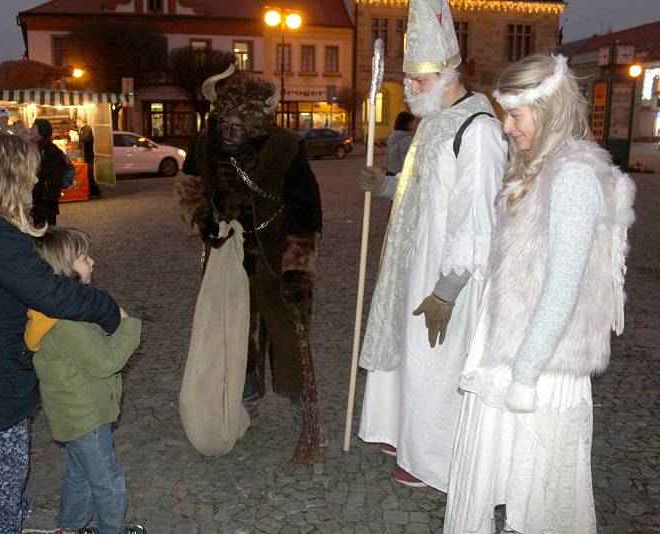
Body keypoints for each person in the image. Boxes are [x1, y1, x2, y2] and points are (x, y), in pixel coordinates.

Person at [443, 54, 636, 534]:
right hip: (510, 352)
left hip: (539, 366)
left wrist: (525, 373)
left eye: (515, 114)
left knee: (538, 494)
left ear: (547, 108)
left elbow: (563, 284)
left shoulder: (572, 176)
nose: (506, 127)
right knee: (501, 476)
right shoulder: (535, 170)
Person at [0, 128, 123, 534]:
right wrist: (109, 311)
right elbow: (52, 294)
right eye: (29, 173)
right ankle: (6, 527)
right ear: (4, 175)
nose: (36, 181)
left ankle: (13, 520)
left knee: (5, 464)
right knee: (5, 469)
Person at [356, 0, 507, 490]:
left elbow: (476, 218)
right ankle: (402, 432)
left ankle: (433, 460)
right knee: (409, 353)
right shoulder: (434, 119)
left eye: (419, 81)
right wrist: (384, 184)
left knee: (436, 363)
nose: (412, 91)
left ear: (447, 74)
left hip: (448, 273)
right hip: (412, 260)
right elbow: (419, 187)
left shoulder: (478, 130)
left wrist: (448, 289)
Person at [174, 66, 322, 437]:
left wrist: (297, 271)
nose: (227, 133)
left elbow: (306, 214)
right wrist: (202, 217)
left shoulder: (287, 148)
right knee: (233, 333)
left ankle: (300, 407)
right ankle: (244, 402)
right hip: (228, 253)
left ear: (257, 124)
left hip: (275, 254)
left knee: (288, 333)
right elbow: (189, 186)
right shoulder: (205, 142)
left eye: (237, 127)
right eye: (223, 123)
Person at [26, 227, 145, 534]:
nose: (92, 262)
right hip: (86, 417)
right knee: (109, 483)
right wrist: (128, 327)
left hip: (73, 415)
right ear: (64, 268)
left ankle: (69, 527)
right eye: (83, 258)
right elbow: (106, 361)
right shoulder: (67, 323)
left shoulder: (57, 312)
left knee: (79, 475)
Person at [31, 118, 64, 226]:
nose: (31, 130)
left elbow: (56, 176)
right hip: (36, 201)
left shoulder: (51, 150)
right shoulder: (34, 148)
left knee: (47, 233)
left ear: (42, 131)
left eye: (34, 127)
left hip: (46, 202)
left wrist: (51, 198)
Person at [76, 116, 102, 199]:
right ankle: (91, 192)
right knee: (87, 175)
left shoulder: (87, 129)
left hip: (88, 156)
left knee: (89, 175)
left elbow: (85, 139)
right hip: (84, 155)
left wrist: (76, 137)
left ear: (80, 121)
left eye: (77, 121)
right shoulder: (82, 130)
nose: (76, 123)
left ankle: (96, 192)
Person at [385, 111, 416, 176]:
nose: (414, 124)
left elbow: (387, 157)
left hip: (389, 173)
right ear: (407, 124)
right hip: (399, 175)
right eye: (412, 122)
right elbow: (406, 160)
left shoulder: (393, 136)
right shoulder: (406, 138)